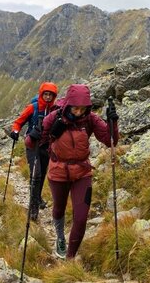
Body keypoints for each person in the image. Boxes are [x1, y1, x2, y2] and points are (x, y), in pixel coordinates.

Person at [41, 84, 119, 259]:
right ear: (68, 104)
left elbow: (110, 140)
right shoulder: (54, 117)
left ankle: (70, 257)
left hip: (82, 173)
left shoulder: (90, 119)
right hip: (58, 172)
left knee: (81, 217)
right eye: (75, 108)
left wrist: (112, 123)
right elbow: (36, 143)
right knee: (59, 209)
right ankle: (60, 237)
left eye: (82, 109)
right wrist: (35, 135)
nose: (78, 112)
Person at [9, 82, 59, 220]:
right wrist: (15, 131)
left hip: (46, 146)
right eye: (46, 94)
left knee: (42, 173)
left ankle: (37, 196)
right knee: (35, 173)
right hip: (32, 145)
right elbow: (19, 122)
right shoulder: (33, 107)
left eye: (51, 95)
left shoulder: (55, 109)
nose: (48, 97)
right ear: (41, 94)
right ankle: (33, 207)